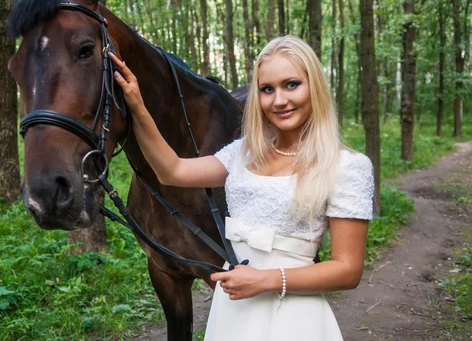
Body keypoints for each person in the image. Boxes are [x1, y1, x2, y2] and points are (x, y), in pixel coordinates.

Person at [108, 35, 374, 340]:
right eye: (266, 89)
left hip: (293, 313)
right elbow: (172, 170)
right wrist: (138, 107)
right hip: (234, 309)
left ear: (315, 86)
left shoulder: (347, 166)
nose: (279, 101)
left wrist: (265, 281)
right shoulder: (243, 153)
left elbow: (347, 270)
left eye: (292, 84)